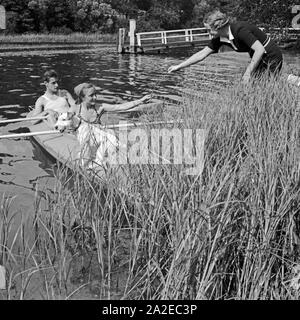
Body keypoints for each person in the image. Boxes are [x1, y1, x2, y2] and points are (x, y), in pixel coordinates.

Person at [168, 9, 283, 83]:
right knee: (258, 82)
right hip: (259, 56)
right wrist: (179, 66)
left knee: (268, 83)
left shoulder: (239, 30)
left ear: (218, 26)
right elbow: (201, 54)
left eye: (209, 30)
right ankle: (295, 80)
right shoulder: (220, 38)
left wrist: (248, 72)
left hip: (271, 54)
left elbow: (259, 49)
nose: (208, 33)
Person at [72, 82, 153, 173]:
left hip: (100, 143)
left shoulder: (100, 108)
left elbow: (122, 107)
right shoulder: (74, 110)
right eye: (91, 95)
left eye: (96, 94)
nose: (95, 97)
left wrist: (141, 100)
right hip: (85, 144)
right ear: (82, 97)